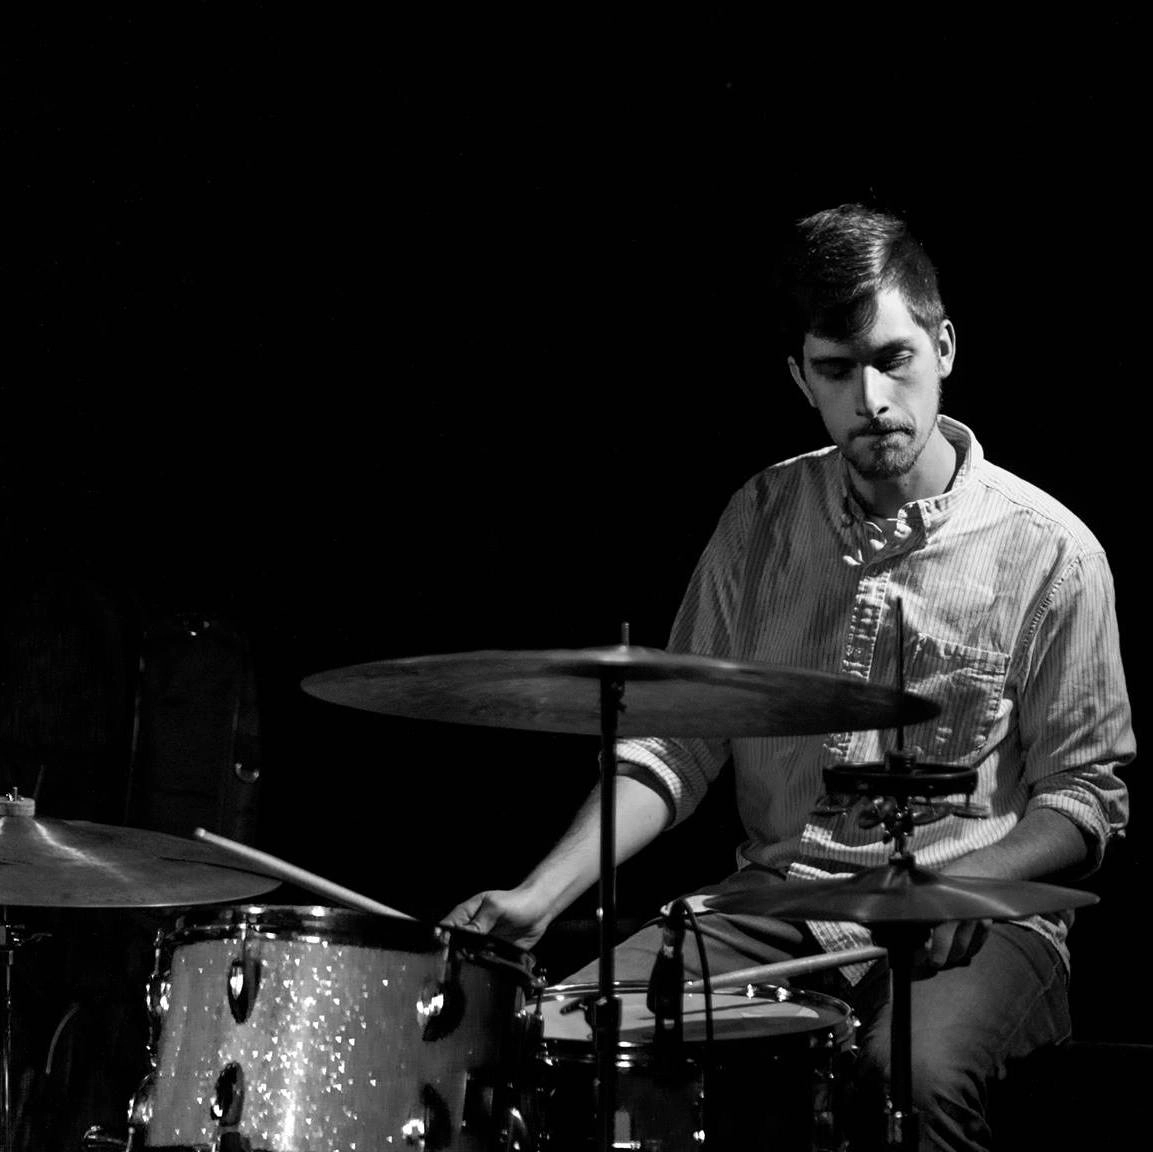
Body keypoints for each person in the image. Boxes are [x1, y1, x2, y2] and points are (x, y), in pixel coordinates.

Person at [443, 204, 1134, 1150]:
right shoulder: (761, 517)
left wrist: (967, 888)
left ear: (943, 345)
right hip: (775, 907)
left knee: (911, 1080)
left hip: (975, 923)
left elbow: (1084, 797)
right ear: (799, 379)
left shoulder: (1050, 552)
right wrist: (537, 898)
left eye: (893, 358)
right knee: (558, 1036)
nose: (872, 399)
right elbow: (674, 744)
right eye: (836, 371)